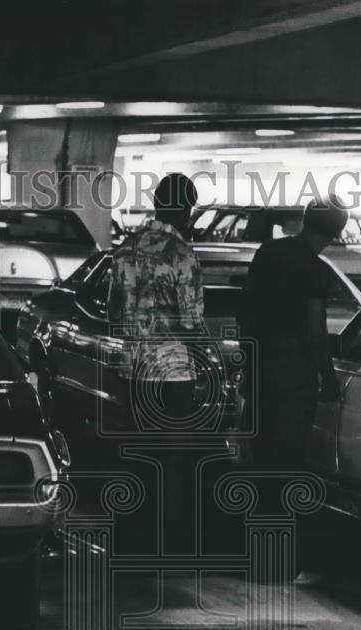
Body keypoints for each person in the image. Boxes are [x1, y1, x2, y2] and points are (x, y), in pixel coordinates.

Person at [107, 173, 206, 553]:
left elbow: (115, 316)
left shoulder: (126, 249)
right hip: (173, 374)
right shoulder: (181, 255)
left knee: (137, 454)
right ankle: (166, 544)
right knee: (173, 460)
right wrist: (209, 363)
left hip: (133, 369)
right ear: (183, 208)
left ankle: (132, 538)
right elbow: (191, 323)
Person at [237, 198, 349, 475]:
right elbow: (315, 332)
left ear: (306, 219)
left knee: (260, 455)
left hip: (261, 368)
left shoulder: (268, 251)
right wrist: (330, 377)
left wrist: (247, 365)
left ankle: (256, 513)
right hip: (295, 377)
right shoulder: (315, 269)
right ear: (337, 231)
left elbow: (246, 312)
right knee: (287, 458)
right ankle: (280, 515)